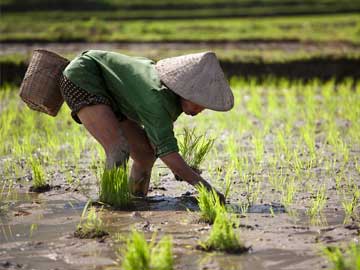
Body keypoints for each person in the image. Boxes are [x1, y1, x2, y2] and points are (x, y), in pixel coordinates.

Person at [60, 50, 234, 203]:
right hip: (84, 77)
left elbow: (158, 143)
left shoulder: (171, 98)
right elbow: (167, 153)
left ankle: (136, 199)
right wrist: (205, 189)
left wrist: (182, 169)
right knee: (117, 148)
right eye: (201, 102)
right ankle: (111, 205)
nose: (201, 109)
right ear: (185, 91)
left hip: (112, 95)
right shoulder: (157, 98)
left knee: (145, 155)